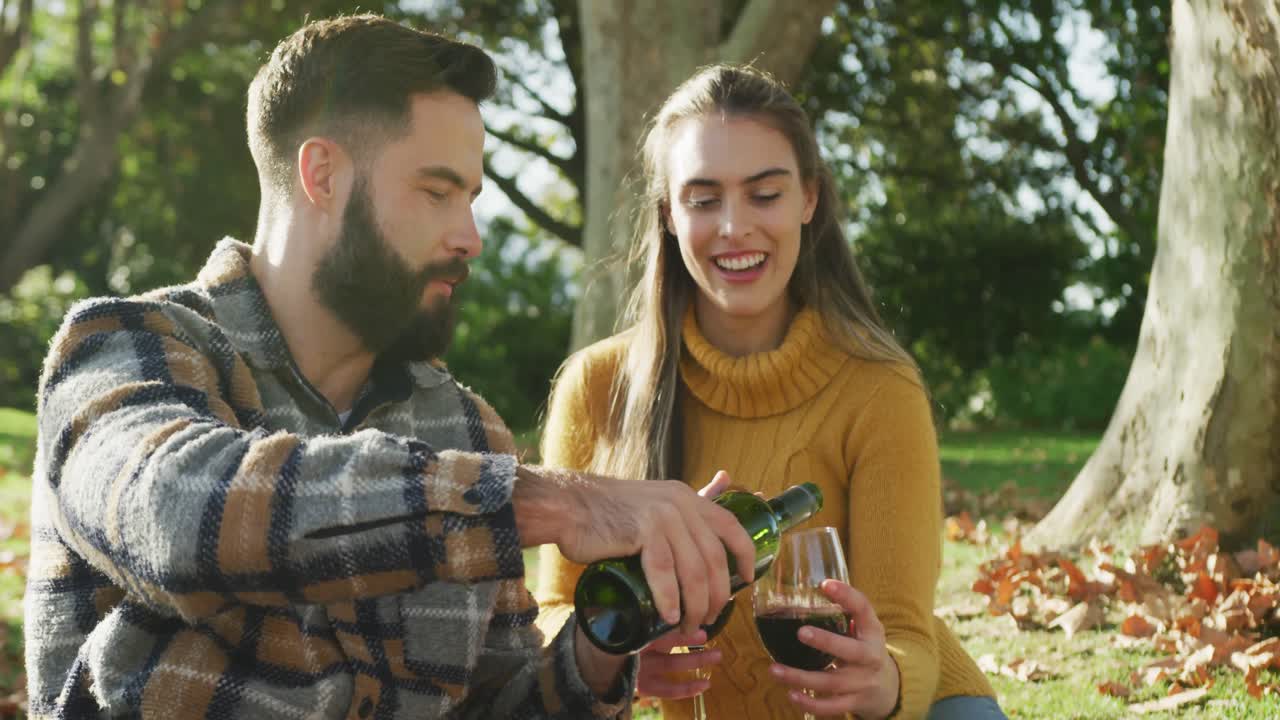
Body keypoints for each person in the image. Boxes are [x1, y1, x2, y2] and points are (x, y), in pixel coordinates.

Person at [23, 16, 759, 720]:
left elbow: (502, 705)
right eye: (437, 192)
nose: (470, 237)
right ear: (323, 175)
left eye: (471, 198)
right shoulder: (124, 344)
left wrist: (602, 639)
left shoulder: (468, 430)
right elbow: (175, 514)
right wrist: (565, 504)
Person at [535, 64, 1006, 719]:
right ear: (668, 214)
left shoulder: (879, 389)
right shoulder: (597, 387)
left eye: (765, 194)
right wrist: (612, 659)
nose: (734, 227)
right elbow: (553, 614)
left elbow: (906, 628)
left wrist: (885, 682)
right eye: (703, 199)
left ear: (809, 199)